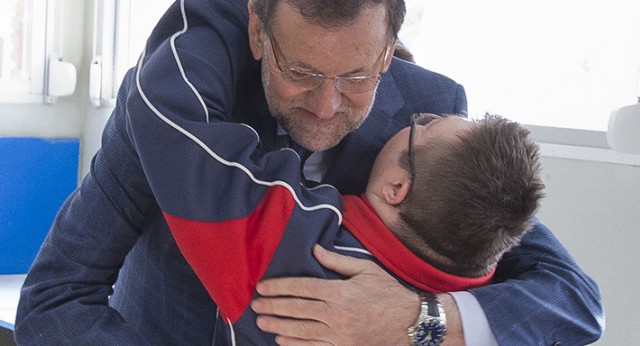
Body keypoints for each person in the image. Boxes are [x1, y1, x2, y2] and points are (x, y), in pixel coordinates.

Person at [14, 0, 604, 345]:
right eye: (300, 71)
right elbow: (55, 296)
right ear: (256, 31)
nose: (326, 107)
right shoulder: (176, 103)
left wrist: (418, 321)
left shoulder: (435, 108)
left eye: (356, 77)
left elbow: (569, 296)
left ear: (389, 48)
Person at [166, 113, 545, 345]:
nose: (415, 120)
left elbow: (169, 120)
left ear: (396, 189)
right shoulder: (499, 305)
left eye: (425, 127)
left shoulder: (296, 244)